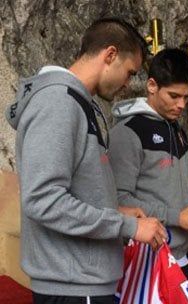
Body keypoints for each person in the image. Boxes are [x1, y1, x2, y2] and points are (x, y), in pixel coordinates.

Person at [4, 18, 168, 304]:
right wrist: (128, 227)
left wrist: (117, 211)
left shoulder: (79, 103)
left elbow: (75, 191)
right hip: (72, 286)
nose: (128, 84)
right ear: (110, 55)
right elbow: (44, 200)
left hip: (84, 282)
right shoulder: (57, 102)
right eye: (129, 73)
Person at [108, 48, 188, 282]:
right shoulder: (127, 133)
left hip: (180, 256)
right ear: (151, 86)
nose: (181, 105)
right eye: (174, 96)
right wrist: (177, 217)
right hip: (145, 259)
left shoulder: (178, 131)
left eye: (186, 97)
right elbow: (117, 200)